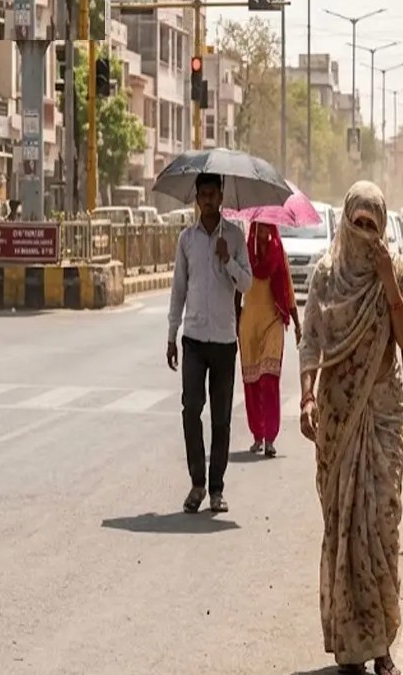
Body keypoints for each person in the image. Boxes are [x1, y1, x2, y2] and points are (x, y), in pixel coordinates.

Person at [298, 181, 403, 675]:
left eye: (373, 224)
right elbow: (311, 342)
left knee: (380, 527)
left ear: (383, 225)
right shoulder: (326, 276)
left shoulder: (399, 269)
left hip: (383, 414)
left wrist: (389, 279)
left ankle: (381, 644)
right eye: (358, 223)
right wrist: (306, 395)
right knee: (342, 528)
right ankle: (349, 644)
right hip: (338, 415)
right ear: (346, 221)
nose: (365, 233)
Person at [167, 172, 253, 514]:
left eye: (211, 194)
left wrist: (227, 259)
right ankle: (197, 483)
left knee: (221, 418)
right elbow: (178, 290)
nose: (206, 200)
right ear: (197, 199)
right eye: (201, 195)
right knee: (191, 410)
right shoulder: (186, 239)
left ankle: (217, 489)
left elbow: (247, 283)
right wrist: (171, 334)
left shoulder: (234, 237)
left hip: (223, 340)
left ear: (221, 197)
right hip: (193, 338)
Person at [239, 220, 301, 457]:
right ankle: (257, 434)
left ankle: (270, 437)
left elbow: (288, 288)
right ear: (253, 229)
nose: (263, 232)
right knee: (252, 382)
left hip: (273, 321)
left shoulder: (278, 253)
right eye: (259, 227)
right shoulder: (245, 254)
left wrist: (297, 324)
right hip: (249, 324)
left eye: (267, 227)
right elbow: (237, 288)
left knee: (268, 380)